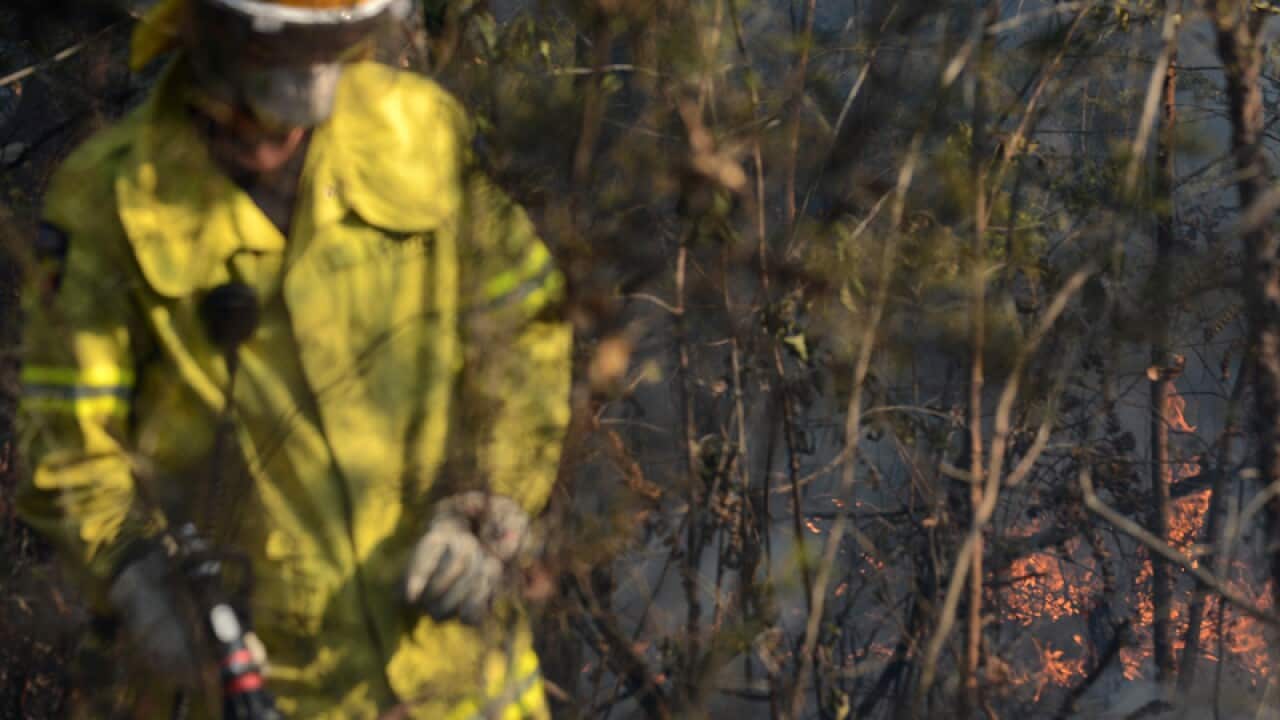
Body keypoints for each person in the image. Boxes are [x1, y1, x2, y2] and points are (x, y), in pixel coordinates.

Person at [16, 0, 572, 716]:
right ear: (203, 30)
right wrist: (135, 573)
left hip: (459, 686)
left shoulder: (419, 132)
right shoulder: (110, 202)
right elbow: (72, 449)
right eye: (275, 62)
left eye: (334, 51)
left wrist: (492, 497)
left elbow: (524, 325)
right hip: (257, 684)